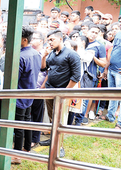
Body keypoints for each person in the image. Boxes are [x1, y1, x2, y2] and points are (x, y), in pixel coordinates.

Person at [39, 29, 81, 151]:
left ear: (60, 38)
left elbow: (76, 76)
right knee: (53, 118)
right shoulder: (51, 53)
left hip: (62, 93)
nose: (50, 43)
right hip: (50, 90)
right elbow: (43, 69)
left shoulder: (71, 54)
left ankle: (60, 147)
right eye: (48, 40)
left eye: (52, 40)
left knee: (60, 120)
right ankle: (53, 140)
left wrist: (65, 92)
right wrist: (44, 56)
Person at [11, 26, 41, 164]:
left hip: (20, 95)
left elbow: (14, 80)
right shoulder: (36, 53)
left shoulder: (21, 57)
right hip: (30, 93)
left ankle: (16, 155)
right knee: (27, 122)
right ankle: (27, 147)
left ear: (24, 39)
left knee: (18, 127)